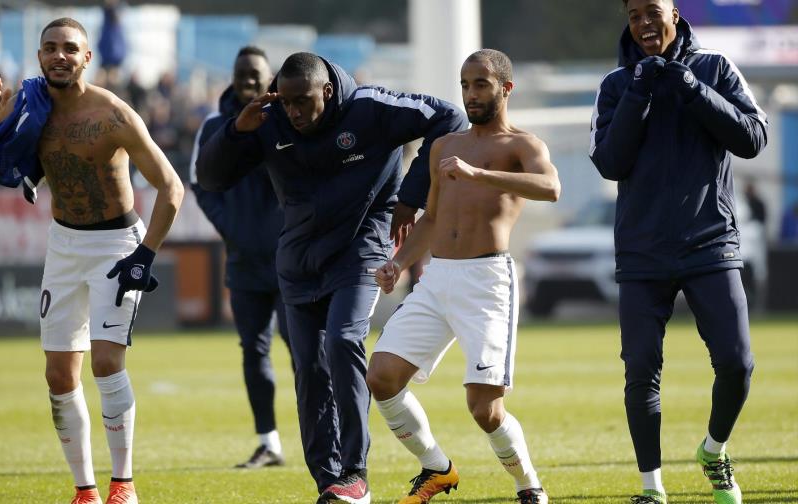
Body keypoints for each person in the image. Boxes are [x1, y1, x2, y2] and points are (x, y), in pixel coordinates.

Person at [196, 52, 466, 503]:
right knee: (309, 368)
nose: (294, 112)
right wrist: (235, 131)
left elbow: (449, 117)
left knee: (343, 341)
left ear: (326, 90)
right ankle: (330, 483)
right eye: (287, 102)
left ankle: (355, 472)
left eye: (303, 101)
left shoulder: (370, 108)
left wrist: (411, 197)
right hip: (299, 258)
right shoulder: (268, 119)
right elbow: (209, 177)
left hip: (361, 247)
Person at [0, 17, 184, 504]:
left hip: (116, 245)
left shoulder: (113, 113)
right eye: (50, 48)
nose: (60, 56)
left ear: (87, 57)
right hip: (64, 244)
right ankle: (85, 491)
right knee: (59, 375)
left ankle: (124, 485)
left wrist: (146, 254)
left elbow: (171, 186)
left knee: (105, 363)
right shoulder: (26, 105)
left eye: (70, 48)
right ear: (39, 57)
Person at [589, 1, 767, 503]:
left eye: (653, 12)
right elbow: (609, 162)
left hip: (710, 243)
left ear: (674, 13)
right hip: (642, 254)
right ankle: (653, 488)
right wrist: (640, 90)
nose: (644, 24)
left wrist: (692, 89)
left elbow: (753, 137)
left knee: (737, 364)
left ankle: (714, 451)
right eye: (633, 15)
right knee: (641, 370)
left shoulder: (714, 67)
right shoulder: (615, 84)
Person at [367, 49, 558, 504]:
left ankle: (529, 486)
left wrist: (480, 174)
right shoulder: (444, 147)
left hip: (488, 282)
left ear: (505, 89)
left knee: (485, 410)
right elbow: (432, 218)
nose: (470, 94)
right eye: (465, 85)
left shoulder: (521, 146)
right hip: (437, 279)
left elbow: (551, 188)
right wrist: (400, 261)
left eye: (481, 84)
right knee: (381, 376)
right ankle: (437, 468)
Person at [188, 46, 292, 469]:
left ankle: (326, 440)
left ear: (270, 79)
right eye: (242, 73)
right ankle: (269, 442)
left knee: (306, 350)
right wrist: (232, 230)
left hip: (291, 259)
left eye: (257, 74)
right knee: (254, 350)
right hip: (244, 261)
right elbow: (199, 184)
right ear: (232, 77)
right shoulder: (215, 125)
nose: (249, 80)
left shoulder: (289, 119)